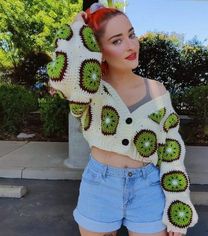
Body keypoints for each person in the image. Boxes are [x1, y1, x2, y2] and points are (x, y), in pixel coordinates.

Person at [47, 2, 199, 236]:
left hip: (148, 187)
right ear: (99, 49)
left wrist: (177, 203)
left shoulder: (157, 90)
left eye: (131, 35)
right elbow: (63, 73)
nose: (131, 46)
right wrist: (77, 26)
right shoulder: (89, 89)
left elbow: (172, 149)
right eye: (116, 41)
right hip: (100, 185)